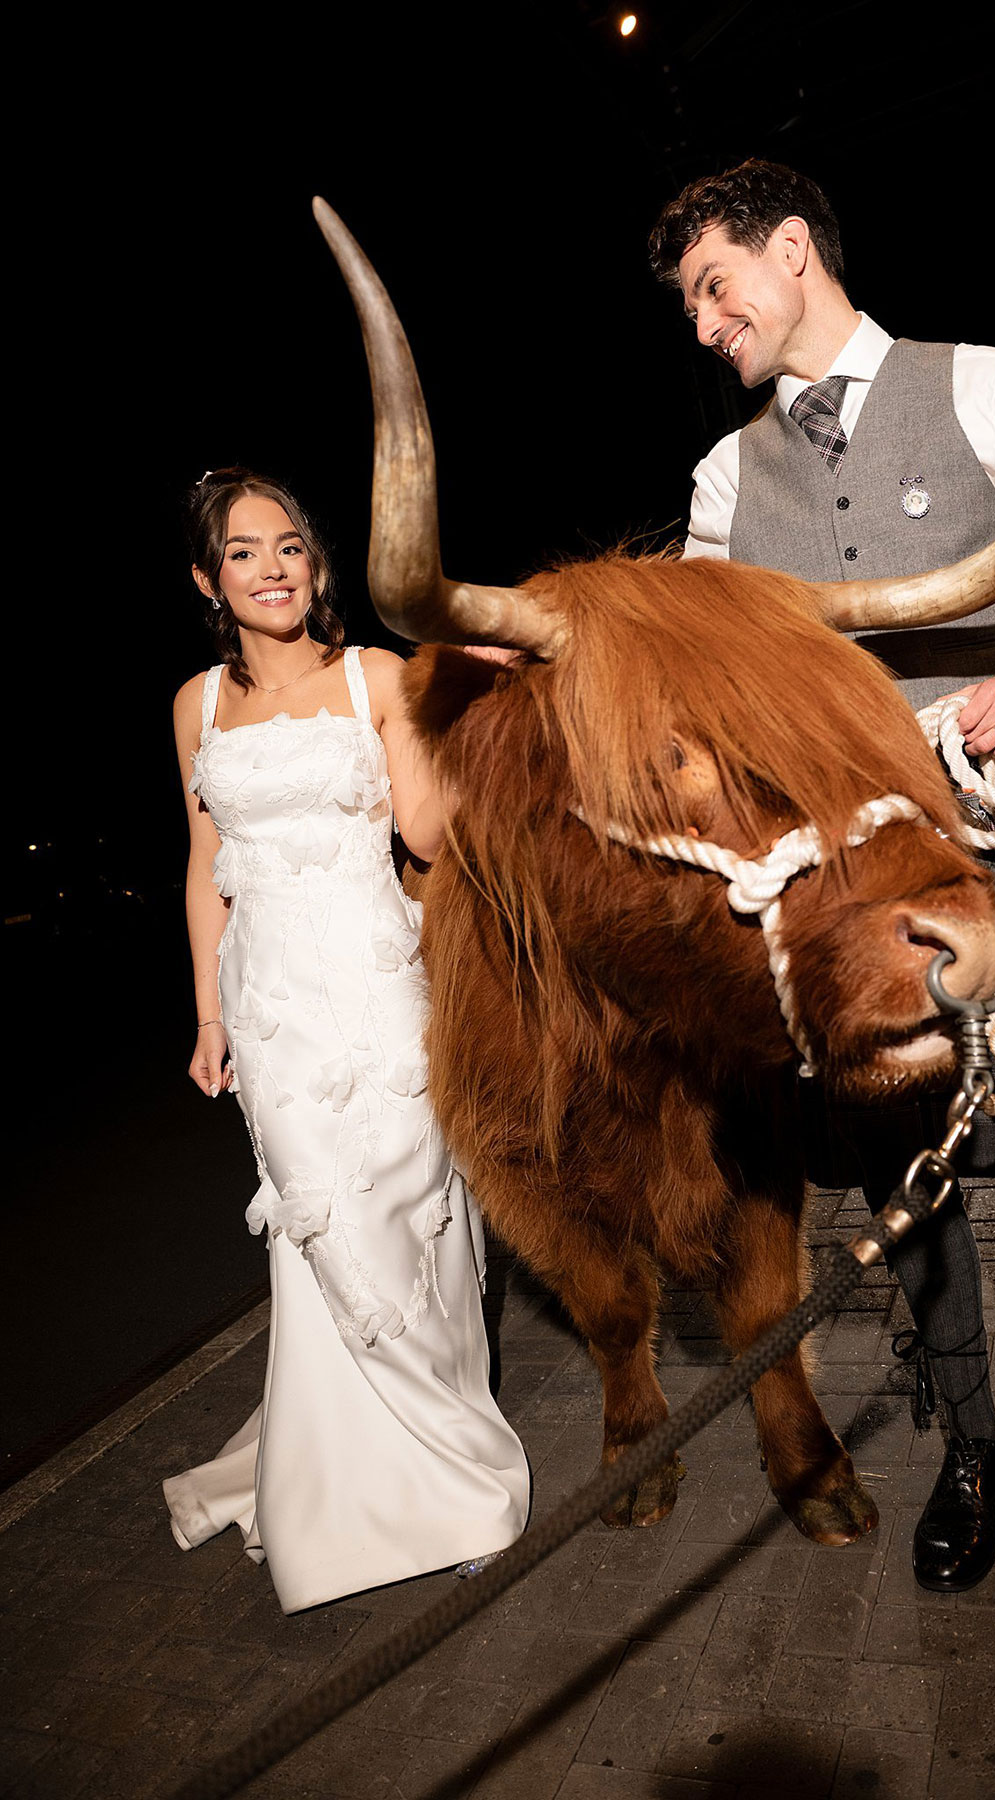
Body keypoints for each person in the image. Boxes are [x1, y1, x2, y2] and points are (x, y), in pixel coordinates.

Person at [648, 161, 995, 1589]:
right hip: (844, 877)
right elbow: (710, 678)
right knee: (908, 1162)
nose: (704, 323)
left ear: (792, 248)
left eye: (716, 286)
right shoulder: (722, 483)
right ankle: (970, 1443)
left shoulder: (983, 383)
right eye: (690, 304)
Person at [163, 469, 529, 1613]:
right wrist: (210, 1017)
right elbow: (202, 868)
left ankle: (460, 1476)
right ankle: (339, 1485)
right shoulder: (196, 708)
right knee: (323, 1236)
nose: (272, 567)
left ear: (316, 565)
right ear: (208, 581)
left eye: (290, 546)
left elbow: (422, 829)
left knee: (402, 1217)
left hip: (380, 994)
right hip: (270, 1009)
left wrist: (466, 704)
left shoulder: (372, 675)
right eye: (243, 552)